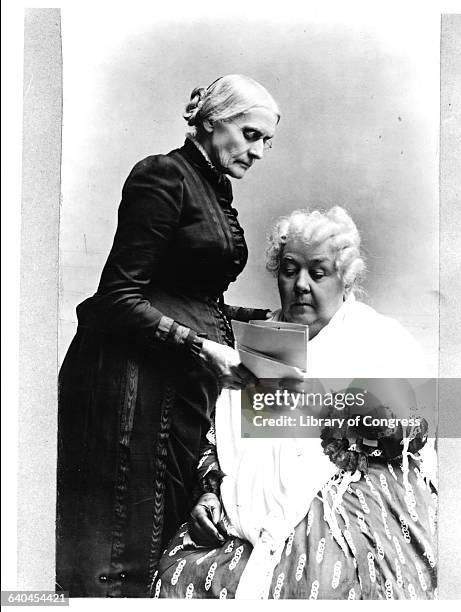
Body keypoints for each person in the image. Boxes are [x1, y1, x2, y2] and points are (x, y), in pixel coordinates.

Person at [56, 75, 280, 597]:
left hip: (172, 384)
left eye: (266, 140)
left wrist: (260, 317)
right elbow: (117, 297)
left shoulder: (212, 186)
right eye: (250, 134)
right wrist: (201, 346)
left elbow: (190, 294)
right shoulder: (164, 175)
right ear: (210, 121)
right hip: (127, 386)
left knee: (157, 536)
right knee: (118, 546)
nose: (260, 151)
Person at [152, 207, 437, 600]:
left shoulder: (377, 339)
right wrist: (209, 492)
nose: (301, 284)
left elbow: (413, 432)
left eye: (317, 273)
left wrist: (326, 403)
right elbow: (220, 442)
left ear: (345, 279)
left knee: (319, 579)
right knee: (177, 576)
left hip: (345, 498)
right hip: (244, 507)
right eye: (289, 270)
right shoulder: (258, 343)